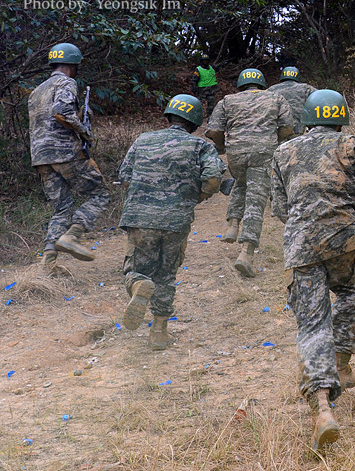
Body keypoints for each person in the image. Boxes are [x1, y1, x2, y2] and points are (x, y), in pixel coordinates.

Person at [271, 89, 355, 451]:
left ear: (309, 118)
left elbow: (280, 207)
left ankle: (322, 409)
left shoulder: (283, 152)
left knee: (312, 325)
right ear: (340, 116)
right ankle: (342, 364)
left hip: (301, 245)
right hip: (344, 239)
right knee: (346, 292)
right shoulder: (354, 144)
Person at [118, 94, 225, 350]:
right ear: (195, 121)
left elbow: (125, 176)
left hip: (140, 218)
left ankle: (138, 284)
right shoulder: (201, 146)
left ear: (168, 116)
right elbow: (213, 178)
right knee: (167, 274)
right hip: (177, 220)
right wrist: (195, 198)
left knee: (137, 269)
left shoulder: (143, 139)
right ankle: (159, 332)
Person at [27, 42, 110, 272]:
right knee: (100, 194)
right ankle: (73, 236)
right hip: (65, 152)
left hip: (41, 158)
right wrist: (83, 130)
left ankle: (48, 264)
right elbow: (61, 112)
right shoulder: (66, 82)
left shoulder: (36, 91)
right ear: (73, 65)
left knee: (62, 208)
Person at [205, 68, 292, 277]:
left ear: (241, 84)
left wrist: (222, 148)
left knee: (241, 182)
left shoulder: (227, 100)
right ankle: (246, 252)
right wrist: (277, 143)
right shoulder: (276, 98)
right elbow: (288, 128)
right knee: (256, 198)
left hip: (236, 153)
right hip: (263, 152)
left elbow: (214, 130)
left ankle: (233, 223)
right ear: (261, 83)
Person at [266, 66, 317, 143]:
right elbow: (319, 100)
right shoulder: (307, 88)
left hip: (278, 134)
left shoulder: (271, 90)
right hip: (299, 134)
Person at [191, 53, 218, 120]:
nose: (205, 62)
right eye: (204, 60)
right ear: (201, 61)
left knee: (211, 103)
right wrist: (194, 87)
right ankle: (197, 116)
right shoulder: (198, 69)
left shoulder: (212, 68)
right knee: (199, 104)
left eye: (207, 60)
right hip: (202, 89)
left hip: (211, 89)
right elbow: (194, 79)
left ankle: (210, 117)